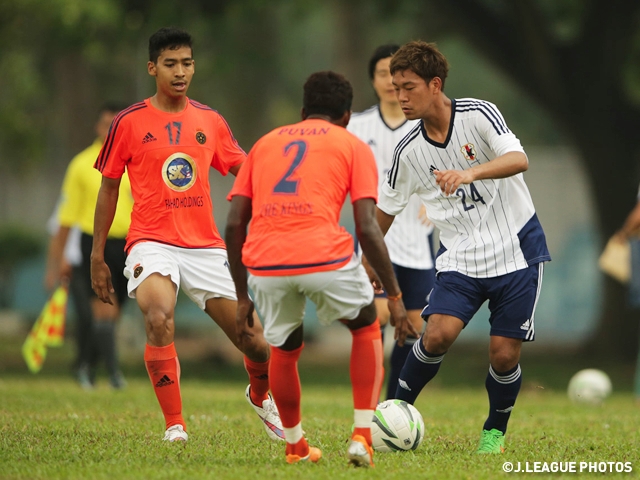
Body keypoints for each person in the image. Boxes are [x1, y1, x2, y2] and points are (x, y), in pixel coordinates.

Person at [90, 27, 285, 443]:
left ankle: (259, 394)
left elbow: (244, 169)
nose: (181, 72)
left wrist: (276, 191)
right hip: (151, 241)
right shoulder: (127, 122)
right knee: (158, 316)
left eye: (187, 63)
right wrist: (96, 256)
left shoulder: (210, 121)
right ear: (152, 67)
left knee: (255, 343)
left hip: (206, 247)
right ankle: (175, 424)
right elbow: (108, 188)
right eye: (171, 63)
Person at [225, 71, 416, 467]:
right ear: (346, 115)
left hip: (265, 263)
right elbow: (366, 225)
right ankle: (362, 436)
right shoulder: (353, 145)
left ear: (302, 111)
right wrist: (394, 296)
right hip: (323, 257)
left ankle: (295, 446)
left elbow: (233, 224)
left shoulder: (264, 144)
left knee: (285, 349)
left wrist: (242, 296)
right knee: (365, 326)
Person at [375, 41, 551, 454]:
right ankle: (395, 415)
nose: (400, 96)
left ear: (435, 85)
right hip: (460, 258)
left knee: (503, 355)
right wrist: (366, 254)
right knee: (436, 335)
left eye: (409, 87)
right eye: (395, 87)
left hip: (517, 251)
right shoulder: (408, 151)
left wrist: (469, 173)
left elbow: (518, 158)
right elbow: (384, 211)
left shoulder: (478, 115)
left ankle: (494, 431)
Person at [348, 44, 436, 400]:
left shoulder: (426, 126)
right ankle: (366, 404)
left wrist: (434, 202)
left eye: (397, 76)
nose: (390, 82)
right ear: (373, 79)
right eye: (383, 74)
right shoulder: (357, 125)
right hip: (376, 237)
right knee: (380, 317)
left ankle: (396, 403)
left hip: (417, 242)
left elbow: (442, 170)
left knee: (414, 327)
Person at [44, 104, 131, 390]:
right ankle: (114, 375)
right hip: (94, 243)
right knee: (101, 309)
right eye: (106, 125)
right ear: (97, 127)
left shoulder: (135, 160)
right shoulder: (82, 164)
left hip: (129, 245)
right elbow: (65, 219)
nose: (110, 132)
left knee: (113, 313)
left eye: (115, 126)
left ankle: (86, 366)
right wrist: (55, 264)